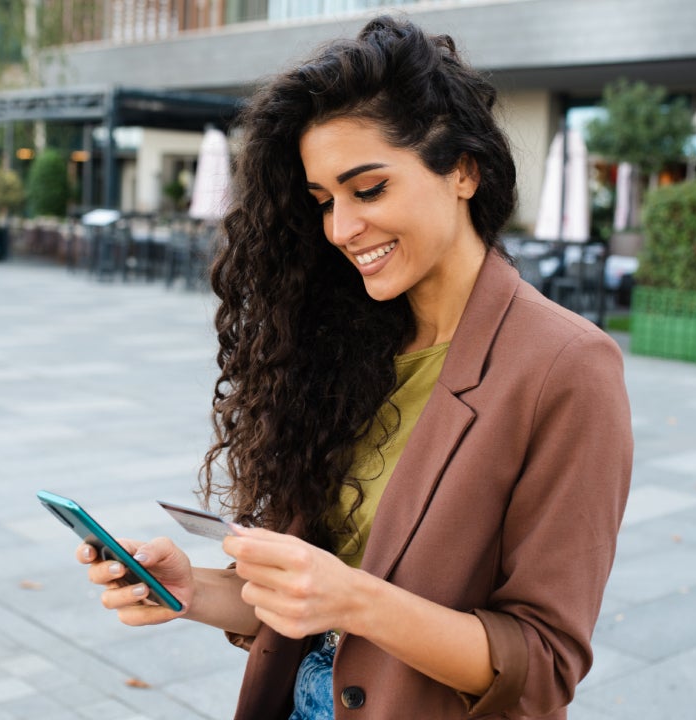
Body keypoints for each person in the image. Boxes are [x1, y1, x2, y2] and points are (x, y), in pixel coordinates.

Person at [76, 15, 632, 719]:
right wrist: (192, 590)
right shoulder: (347, 342)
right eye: (323, 203)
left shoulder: (567, 367)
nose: (340, 229)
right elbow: (311, 603)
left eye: (367, 190)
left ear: (462, 170)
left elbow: (544, 666)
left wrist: (354, 598)